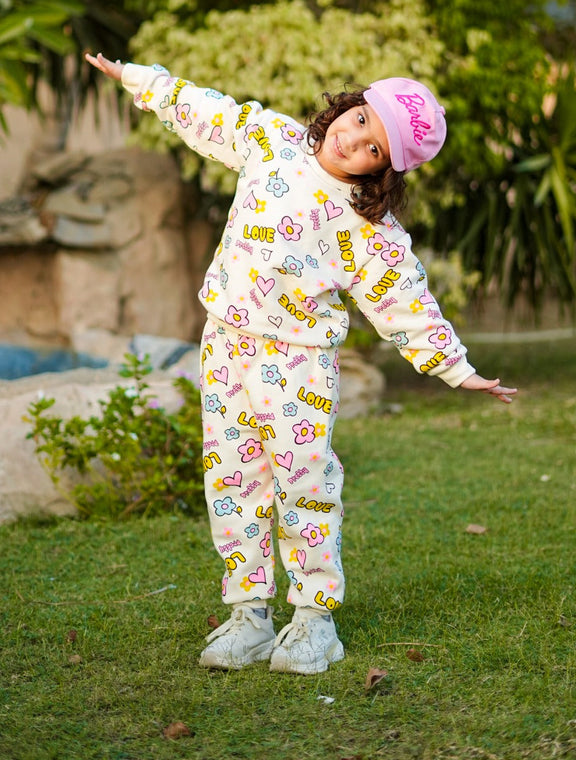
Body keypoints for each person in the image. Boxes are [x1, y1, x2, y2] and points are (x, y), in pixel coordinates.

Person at [85, 51, 517, 675]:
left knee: (305, 482)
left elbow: (404, 296)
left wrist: (455, 367)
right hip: (226, 342)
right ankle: (249, 614)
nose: (354, 139)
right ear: (348, 104)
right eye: (361, 118)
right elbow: (213, 114)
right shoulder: (275, 141)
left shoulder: (369, 226)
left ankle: (315, 619)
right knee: (231, 477)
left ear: (385, 172)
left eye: (374, 148)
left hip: (298, 362)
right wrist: (141, 81)